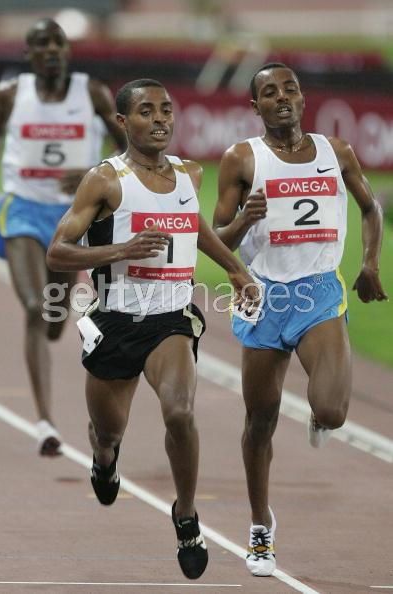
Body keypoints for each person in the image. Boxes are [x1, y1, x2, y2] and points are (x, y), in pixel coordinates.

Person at [46, 78, 259, 579]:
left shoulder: (190, 172)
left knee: (181, 412)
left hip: (172, 318)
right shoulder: (104, 180)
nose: (161, 118)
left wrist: (235, 268)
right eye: (147, 111)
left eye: (166, 109)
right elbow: (58, 251)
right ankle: (104, 458)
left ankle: (186, 514)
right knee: (107, 430)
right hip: (117, 320)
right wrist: (120, 250)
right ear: (122, 122)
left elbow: (196, 229)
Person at [213, 62, 388, 577]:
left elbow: (370, 206)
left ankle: (318, 414)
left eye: (289, 88)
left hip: (318, 293)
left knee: (332, 411)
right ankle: (260, 525)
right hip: (264, 297)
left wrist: (369, 263)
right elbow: (215, 239)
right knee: (260, 421)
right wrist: (244, 218)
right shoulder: (242, 159)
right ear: (255, 106)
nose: (282, 97)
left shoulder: (336, 152)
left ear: (302, 98)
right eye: (269, 92)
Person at [0, 18, 126, 456]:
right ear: (29, 54)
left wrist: (96, 174)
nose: (51, 50)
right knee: (33, 308)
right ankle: (44, 420)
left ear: (67, 50)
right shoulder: (10, 93)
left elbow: (128, 147)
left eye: (58, 42)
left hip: (73, 219)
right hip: (22, 207)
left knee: (54, 321)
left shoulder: (92, 93)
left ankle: (50, 331)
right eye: (41, 44)